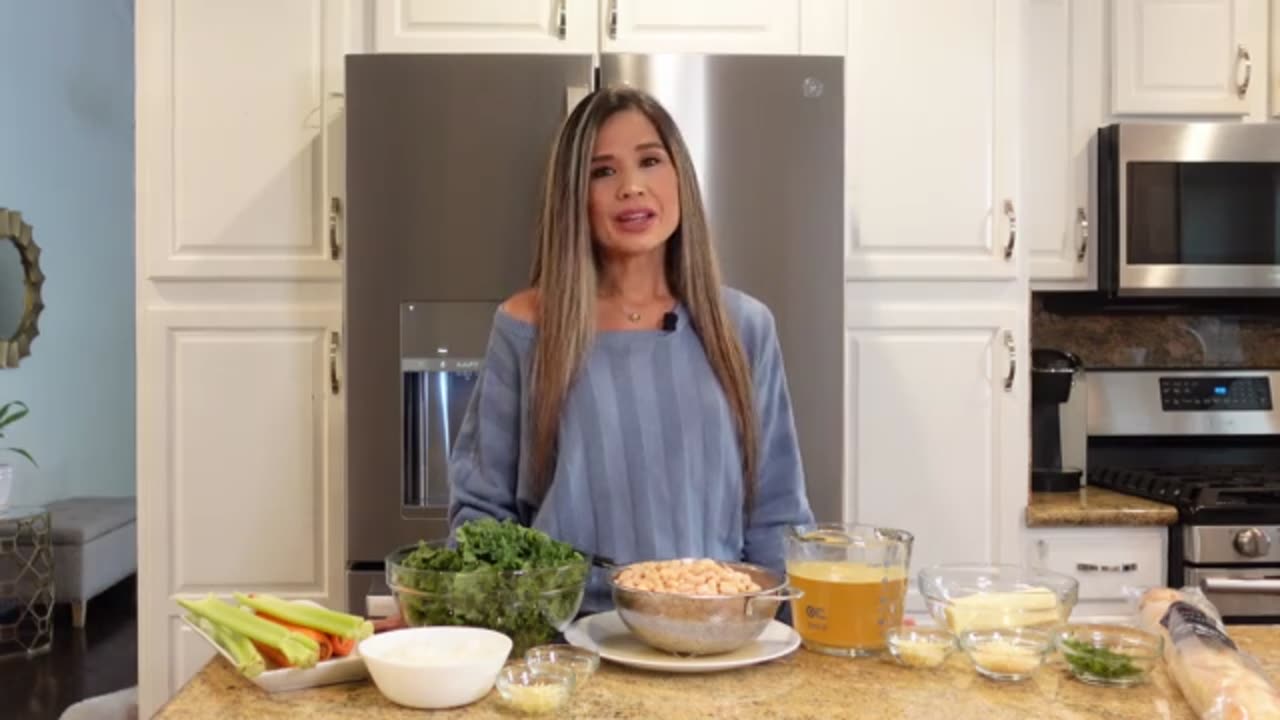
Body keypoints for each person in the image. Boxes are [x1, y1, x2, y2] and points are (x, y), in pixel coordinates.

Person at [448, 86, 814, 612]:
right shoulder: (525, 326)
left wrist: (776, 636)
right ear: (575, 195)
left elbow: (777, 515)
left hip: (715, 639)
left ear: (681, 178)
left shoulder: (744, 328)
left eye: (650, 161)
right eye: (603, 171)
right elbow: (481, 512)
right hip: (569, 643)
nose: (632, 187)